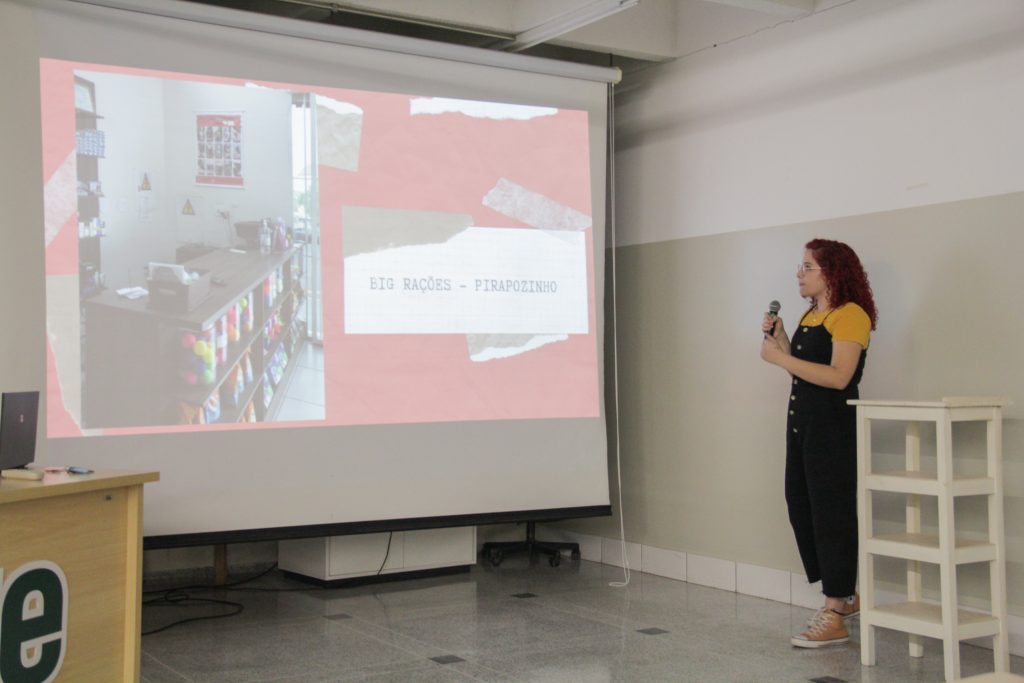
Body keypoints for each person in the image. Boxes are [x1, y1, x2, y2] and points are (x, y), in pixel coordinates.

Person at [760, 238, 877, 648]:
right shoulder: (812, 314)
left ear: (832, 272)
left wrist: (780, 358)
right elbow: (804, 370)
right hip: (803, 426)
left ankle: (835, 610)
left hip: (832, 429)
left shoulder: (851, 315)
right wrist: (782, 340)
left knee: (832, 515)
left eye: (808, 267)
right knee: (802, 505)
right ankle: (844, 595)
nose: (800, 273)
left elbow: (839, 377)